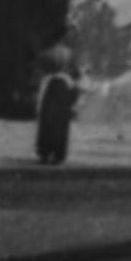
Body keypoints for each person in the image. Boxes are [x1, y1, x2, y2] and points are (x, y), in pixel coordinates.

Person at [34, 37, 81, 165]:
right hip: (62, 107)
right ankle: (58, 154)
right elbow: (74, 93)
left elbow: (41, 95)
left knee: (46, 128)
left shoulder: (47, 77)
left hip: (49, 103)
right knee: (60, 131)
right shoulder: (67, 77)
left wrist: (38, 107)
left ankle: (44, 152)